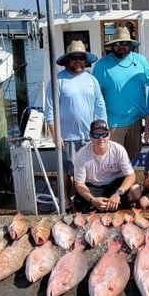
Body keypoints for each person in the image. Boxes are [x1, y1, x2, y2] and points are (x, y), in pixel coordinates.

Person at [45, 40, 107, 211]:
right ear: (67, 60)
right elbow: (49, 110)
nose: (77, 61)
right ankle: (65, 199)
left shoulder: (92, 80)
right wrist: (55, 135)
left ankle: (85, 199)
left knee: (87, 170)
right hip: (67, 136)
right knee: (68, 171)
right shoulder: (57, 81)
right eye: (73, 58)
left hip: (90, 135)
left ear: (85, 60)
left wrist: (104, 131)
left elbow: (100, 106)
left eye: (81, 57)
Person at [92, 26, 149, 163]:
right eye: (118, 44)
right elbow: (94, 96)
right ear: (113, 45)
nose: (122, 47)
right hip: (113, 122)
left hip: (136, 121)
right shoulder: (101, 65)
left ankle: (128, 182)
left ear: (131, 45)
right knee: (113, 159)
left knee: (133, 157)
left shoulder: (140, 60)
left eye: (125, 43)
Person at [73, 119, 141, 212]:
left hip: (115, 185)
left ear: (109, 135)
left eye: (104, 134)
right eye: (96, 135)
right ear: (90, 136)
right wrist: (93, 200)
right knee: (78, 201)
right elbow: (79, 184)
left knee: (135, 191)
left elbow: (131, 175)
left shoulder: (118, 149)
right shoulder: (81, 154)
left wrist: (118, 194)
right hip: (93, 186)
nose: (101, 139)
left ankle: (120, 207)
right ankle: (107, 207)